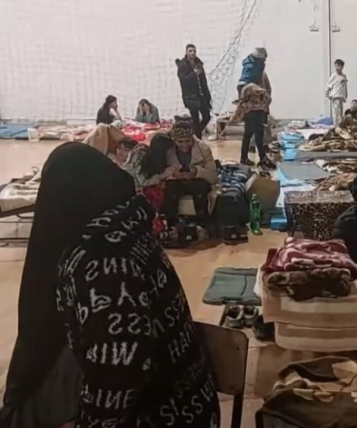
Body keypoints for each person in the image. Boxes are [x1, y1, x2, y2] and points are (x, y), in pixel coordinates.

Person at [1, 143, 220, 428]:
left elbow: (120, 373)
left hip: (164, 416)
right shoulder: (125, 231)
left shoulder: (101, 262)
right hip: (186, 401)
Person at [163, 122, 218, 224]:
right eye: (180, 142)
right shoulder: (167, 150)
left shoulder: (203, 149)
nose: (184, 145)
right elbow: (159, 175)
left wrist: (197, 172)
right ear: (174, 140)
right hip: (176, 183)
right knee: (170, 189)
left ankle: (202, 223)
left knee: (200, 188)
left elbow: (213, 177)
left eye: (187, 141)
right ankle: (171, 224)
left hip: (197, 183)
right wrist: (172, 174)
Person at [232, 83, 275, 169]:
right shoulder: (258, 91)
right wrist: (263, 107)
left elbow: (242, 106)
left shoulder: (247, 91)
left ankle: (245, 158)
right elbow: (268, 99)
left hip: (252, 114)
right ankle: (261, 158)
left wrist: (236, 116)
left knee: (248, 136)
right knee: (258, 136)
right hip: (257, 114)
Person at [176, 44, 212, 139]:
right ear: (186, 52)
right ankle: (198, 138)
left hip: (201, 95)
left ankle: (195, 134)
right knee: (195, 119)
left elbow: (204, 81)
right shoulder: (182, 65)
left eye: (194, 51)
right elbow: (183, 81)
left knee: (207, 117)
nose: (192, 53)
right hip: (190, 96)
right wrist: (194, 74)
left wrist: (208, 96)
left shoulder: (199, 64)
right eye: (190, 51)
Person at [326, 59, 348, 126]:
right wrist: (327, 94)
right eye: (335, 66)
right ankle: (336, 126)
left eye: (338, 66)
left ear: (342, 66)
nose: (336, 68)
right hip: (335, 96)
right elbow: (328, 85)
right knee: (336, 113)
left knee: (340, 113)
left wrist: (346, 95)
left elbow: (345, 86)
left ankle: (340, 126)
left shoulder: (344, 76)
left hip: (341, 97)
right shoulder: (334, 75)